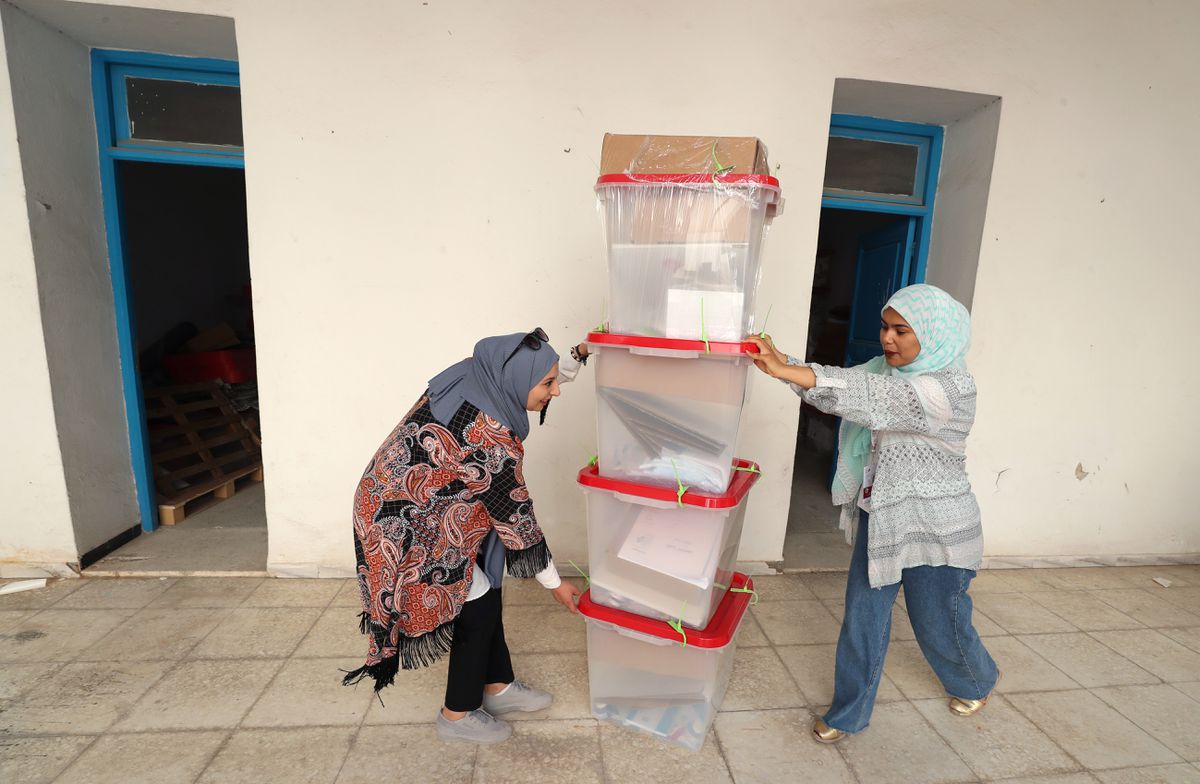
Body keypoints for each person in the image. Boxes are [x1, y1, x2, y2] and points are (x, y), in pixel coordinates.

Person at [746, 284, 999, 743]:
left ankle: (975, 680)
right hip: (881, 515)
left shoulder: (952, 388)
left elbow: (871, 399)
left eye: (902, 330)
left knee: (939, 621)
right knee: (863, 616)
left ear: (936, 334)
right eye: (885, 327)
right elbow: (835, 387)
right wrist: (781, 363)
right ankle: (849, 713)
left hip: (936, 528)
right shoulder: (883, 370)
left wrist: (787, 368)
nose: (888, 339)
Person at [343, 329, 589, 744]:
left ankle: (498, 686)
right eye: (548, 385)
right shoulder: (488, 434)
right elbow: (516, 517)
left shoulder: (480, 375)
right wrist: (555, 583)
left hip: (406, 499)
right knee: (475, 606)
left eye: (552, 381)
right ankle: (457, 714)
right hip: (403, 522)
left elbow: (526, 371)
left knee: (486, 591)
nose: (555, 392)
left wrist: (579, 355)